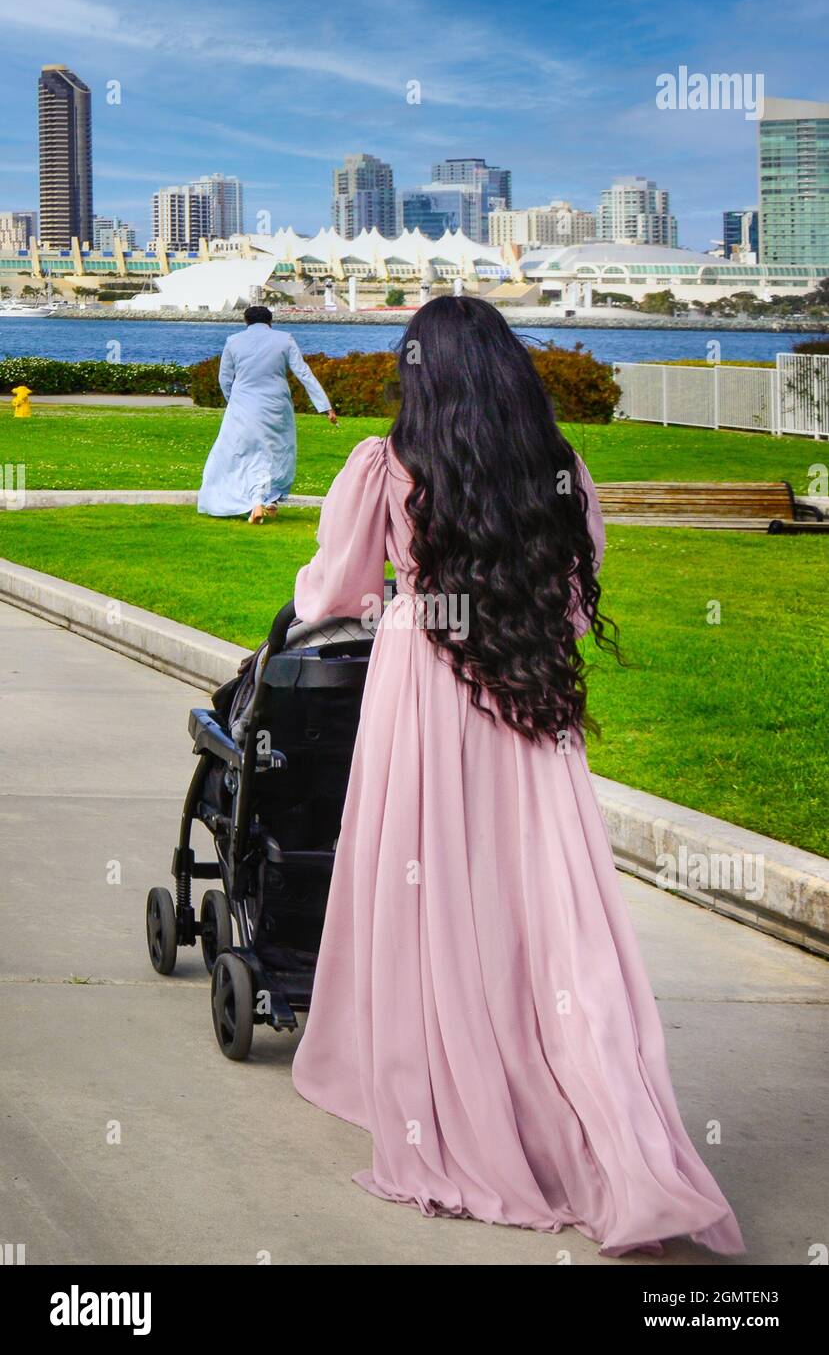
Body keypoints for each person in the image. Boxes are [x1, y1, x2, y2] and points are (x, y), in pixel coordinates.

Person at [290, 297, 744, 1258]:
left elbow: (334, 592)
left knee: (433, 900)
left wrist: (389, 601)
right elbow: (574, 603)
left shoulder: (384, 464)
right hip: (530, 702)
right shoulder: (560, 468)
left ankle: (459, 1089)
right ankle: (596, 1118)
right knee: (546, 910)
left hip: (424, 696)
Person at [197, 306, 337, 524]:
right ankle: (268, 498)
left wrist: (233, 400)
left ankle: (254, 501)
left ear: (246, 321)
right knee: (276, 451)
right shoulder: (284, 339)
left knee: (240, 452)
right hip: (276, 404)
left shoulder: (233, 341)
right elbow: (303, 372)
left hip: (243, 403)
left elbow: (225, 378)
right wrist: (325, 406)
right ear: (270, 321)